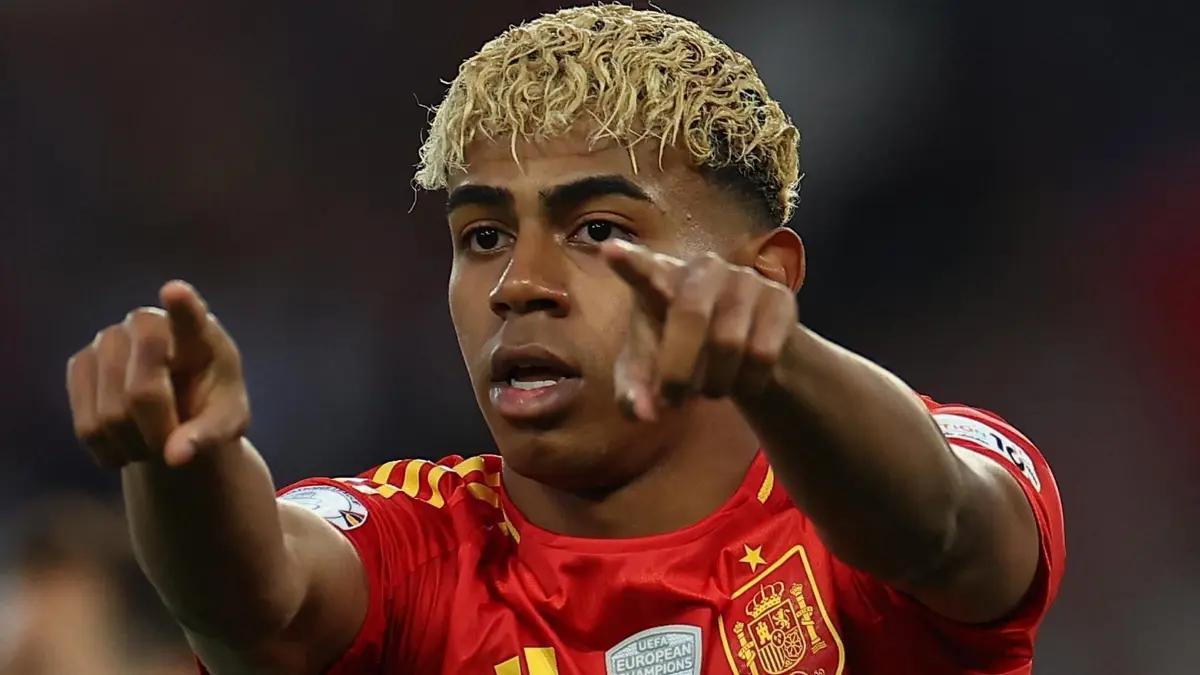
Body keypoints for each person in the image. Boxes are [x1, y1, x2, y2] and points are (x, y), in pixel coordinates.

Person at [64, 5, 1065, 674]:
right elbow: (259, 605)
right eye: (482, 236)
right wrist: (179, 461)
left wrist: (785, 364)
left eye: (599, 231)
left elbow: (941, 528)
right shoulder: (426, 542)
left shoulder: (899, 481)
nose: (519, 286)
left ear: (766, 274)